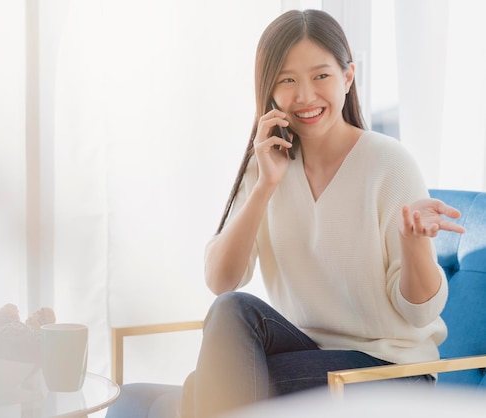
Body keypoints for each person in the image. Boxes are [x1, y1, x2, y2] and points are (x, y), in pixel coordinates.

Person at [184, 9, 466, 418]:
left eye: (321, 76)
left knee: (207, 388)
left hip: (394, 371)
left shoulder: (388, 163)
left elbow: (419, 312)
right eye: (287, 79)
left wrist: (415, 245)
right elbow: (221, 281)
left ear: (348, 77)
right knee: (232, 310)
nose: (305, 96)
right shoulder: (266, 166)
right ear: (269, 91)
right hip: (312, 355)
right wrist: (264, 186)